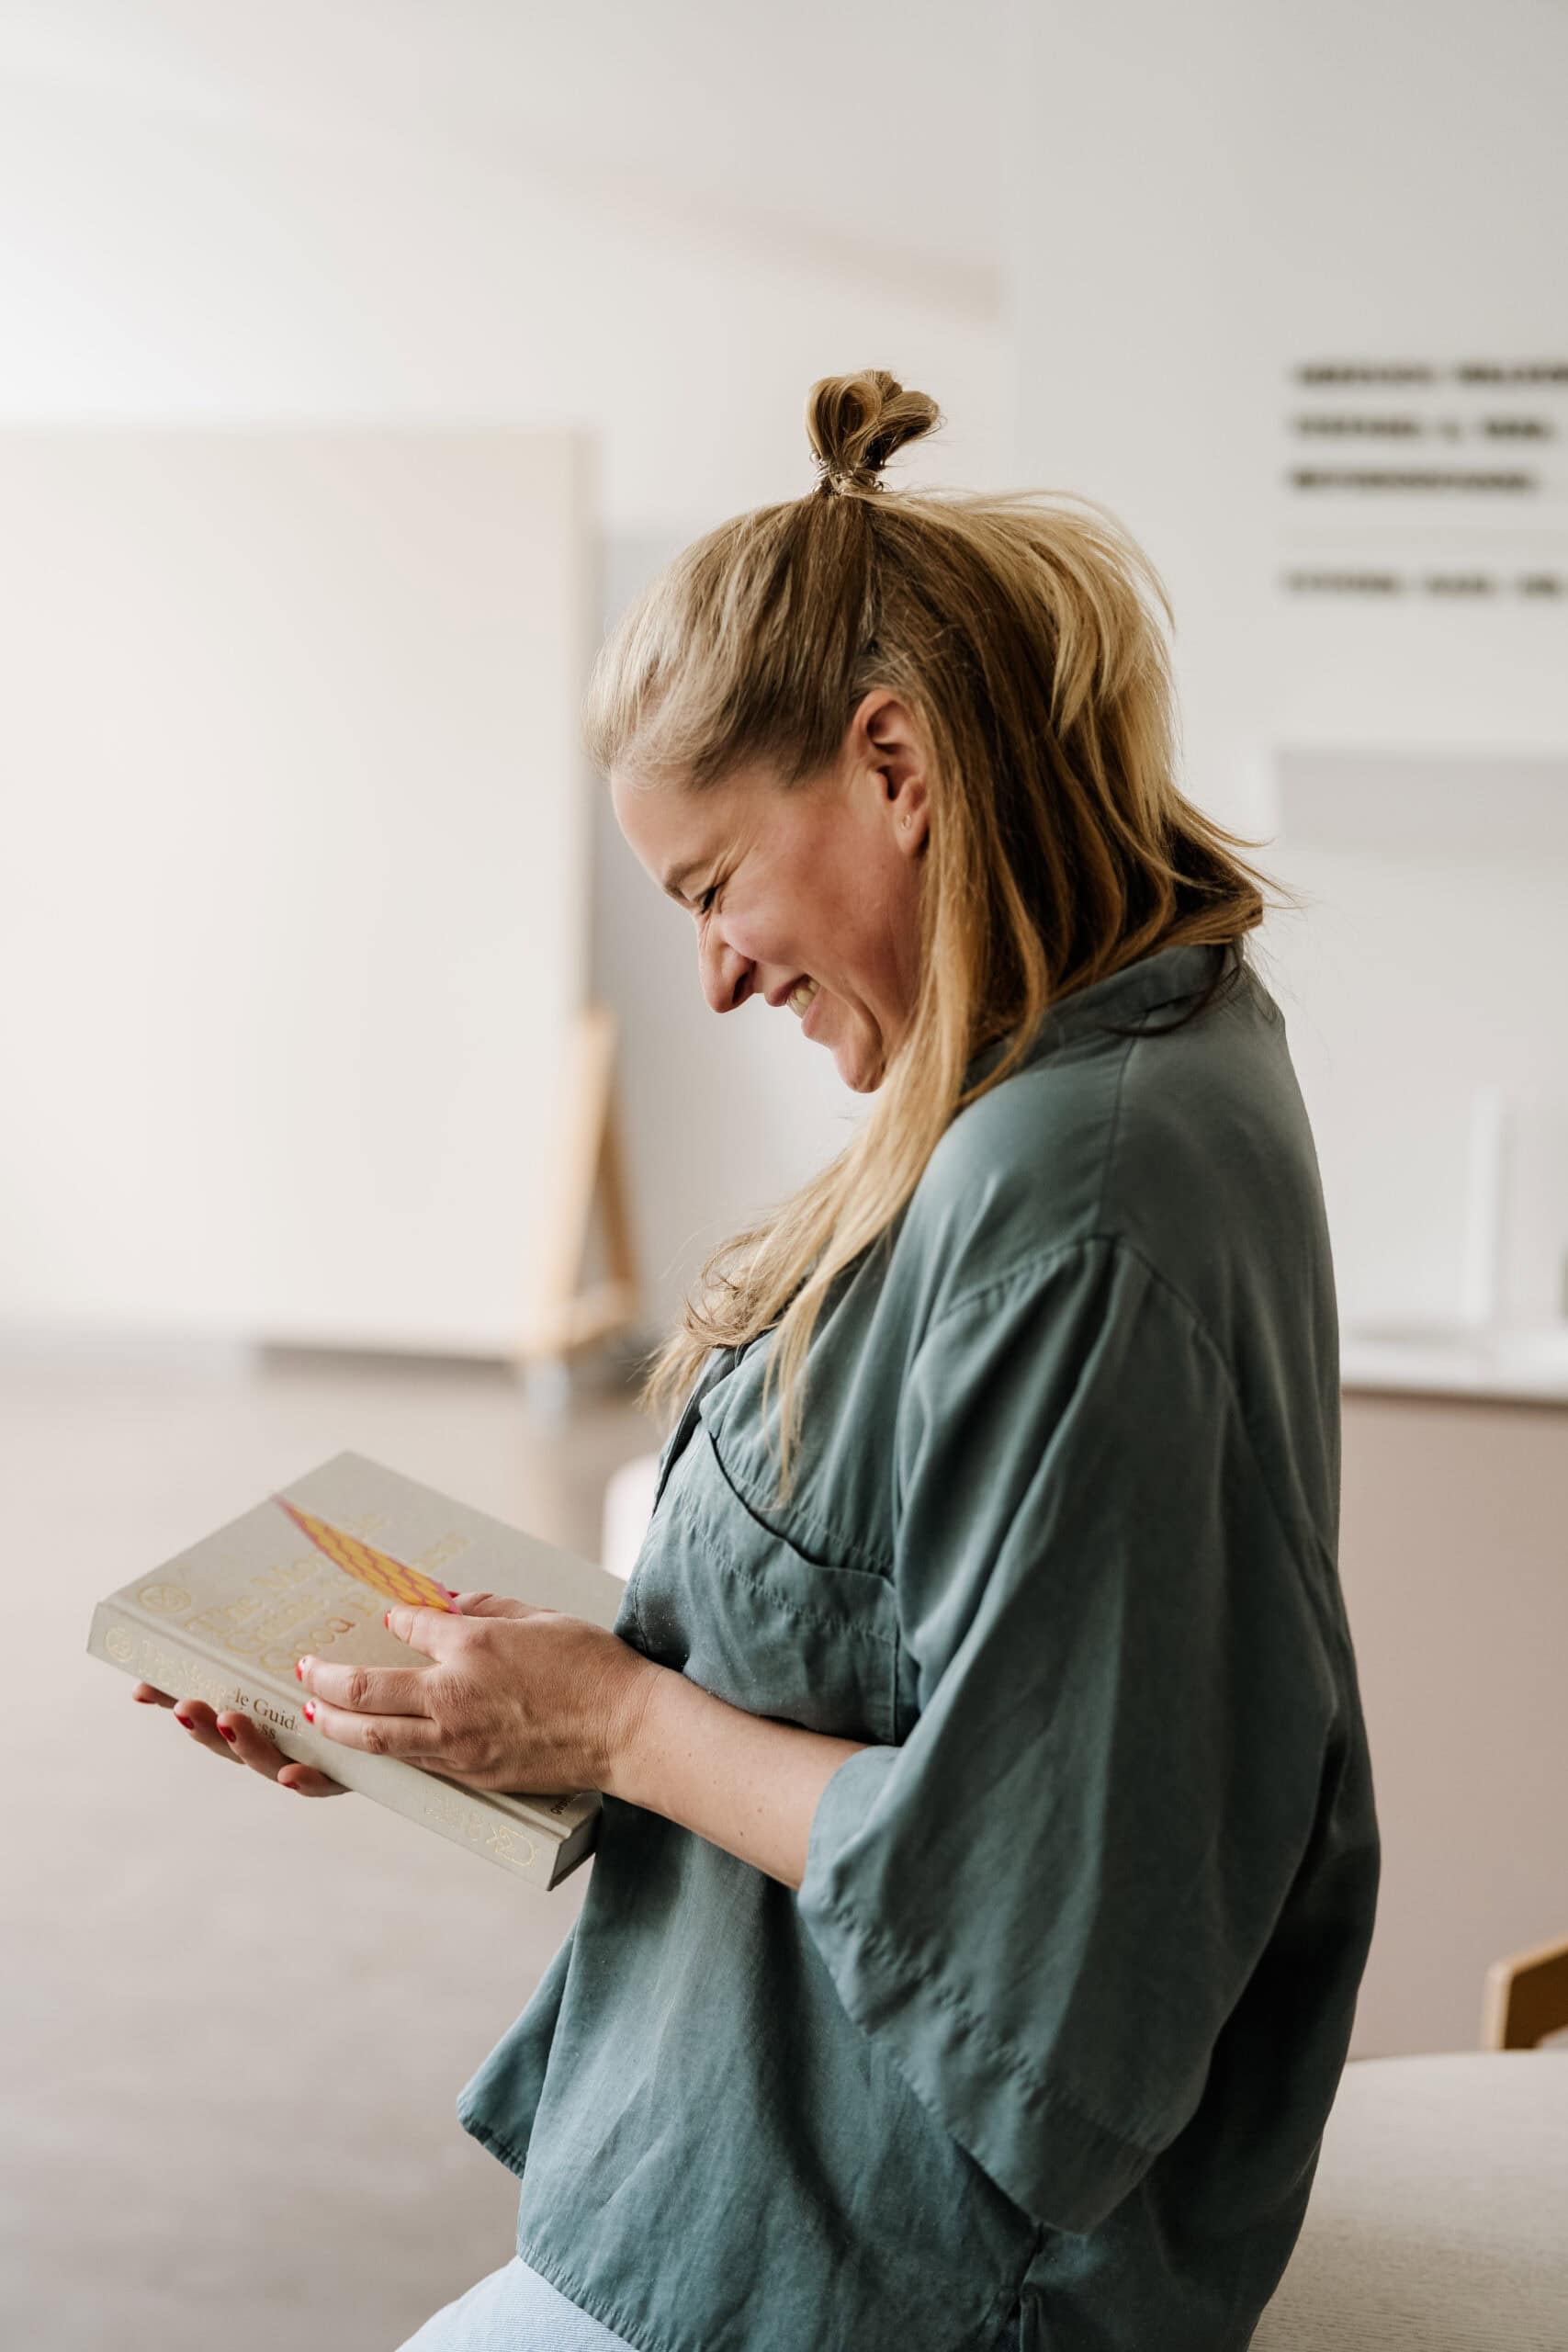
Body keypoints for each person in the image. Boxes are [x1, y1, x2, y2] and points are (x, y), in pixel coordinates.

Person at [135, 369, 1381, 2352]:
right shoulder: (1100, 1073)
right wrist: (466, 1714)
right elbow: (911, 1658)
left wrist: (618, 1726)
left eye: (711, 886)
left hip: (902, 2259)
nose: (713, 971)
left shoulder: (1076, 1200)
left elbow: (1040, 1911)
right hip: (779, 2159)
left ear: (890, 761)